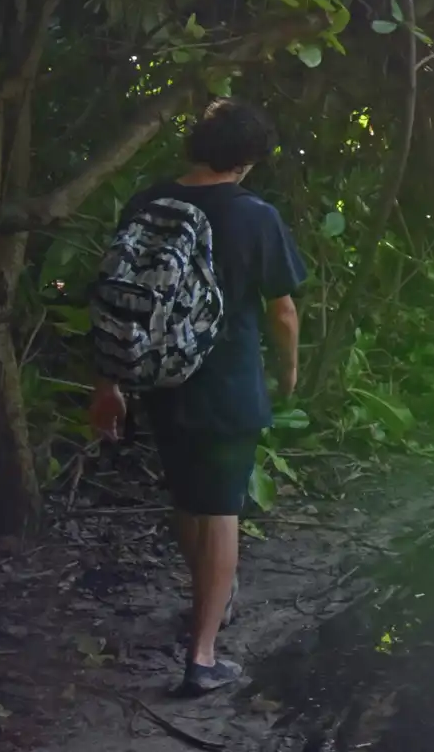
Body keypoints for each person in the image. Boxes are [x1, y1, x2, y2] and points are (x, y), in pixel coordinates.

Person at [89, 98, 306, 695]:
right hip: (226, 383)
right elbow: (283, 311)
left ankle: (211, 602)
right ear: (249, 158)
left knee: (189, 500)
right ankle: (203, 657)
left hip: (160, 380)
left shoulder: (148, 203)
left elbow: (116, 299)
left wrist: (109, 383)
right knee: (221, 511)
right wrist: (289, 371)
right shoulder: (254, 215)